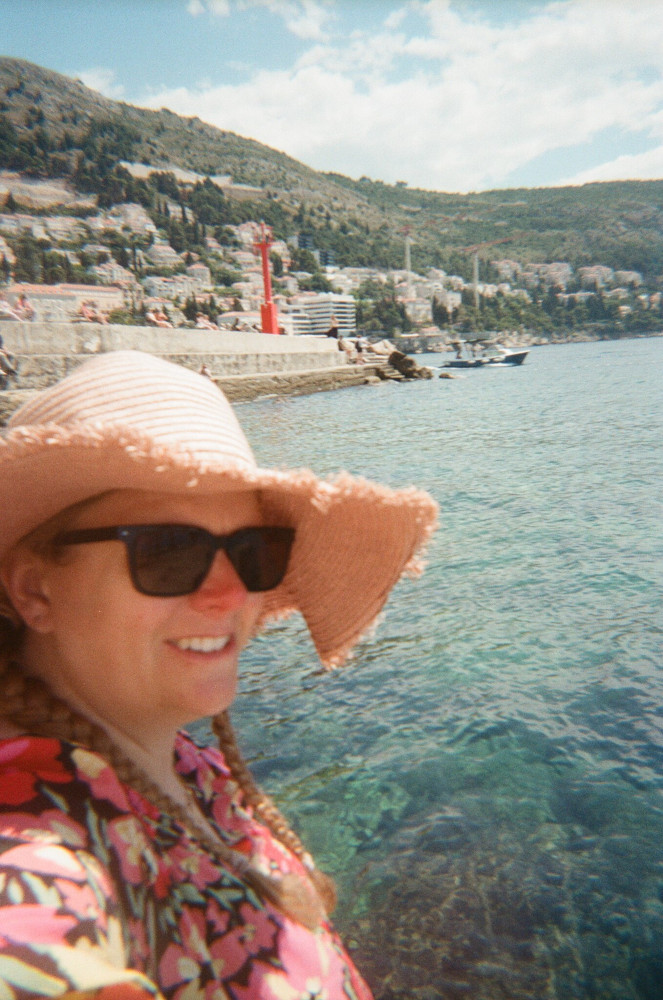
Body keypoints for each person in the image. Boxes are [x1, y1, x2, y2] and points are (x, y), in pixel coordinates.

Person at [0, 351, 437, 1000]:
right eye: (170, 553)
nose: (231, 594)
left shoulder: (180, 767)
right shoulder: (38, 844)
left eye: (253, 552)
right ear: (36, 590)